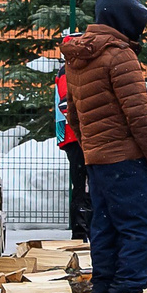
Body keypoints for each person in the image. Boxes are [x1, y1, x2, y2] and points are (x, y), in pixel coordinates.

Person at [60, 0, 147, 293]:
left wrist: (93, 146)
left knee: (104, 226)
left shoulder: (79, 56)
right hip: (125, 159)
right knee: (141, 225)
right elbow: (139, 115)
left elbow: (74, 114)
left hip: (97, 160)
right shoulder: (120, 55)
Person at [52, 62, 88, 240]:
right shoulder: (71, 69)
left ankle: (83, 229)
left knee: (83, 183)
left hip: (72, 134)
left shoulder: (69, 67)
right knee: (83, 184)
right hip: (75, 135)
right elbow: (65, 102)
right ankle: (81, 231)